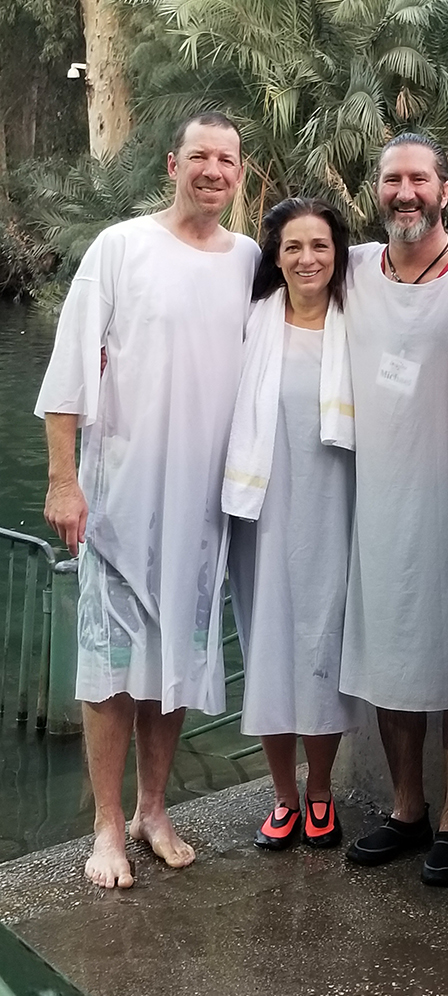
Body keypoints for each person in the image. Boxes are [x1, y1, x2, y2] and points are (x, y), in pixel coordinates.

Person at [36, 112, 259, 889]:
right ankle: (105, 825)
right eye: (199, 155)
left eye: (227, 159)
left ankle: (153, 810)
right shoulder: (121, 248)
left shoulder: (250, 260)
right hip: (120, 496)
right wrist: (64, 483)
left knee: (176, 666)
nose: (213, 170)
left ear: (240, 172)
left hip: (202, 506)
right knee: (109, 668)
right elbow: (69, 372)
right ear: (173, 164)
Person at [340, 133, 448, 883]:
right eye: (392, 179)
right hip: (377, 503)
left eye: (418, 179)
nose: (405, 192)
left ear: (444, 188)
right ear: (377, 191)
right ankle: (408, 810)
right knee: (391, 659)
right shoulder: (353, 270)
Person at [223, 198, 361, 850]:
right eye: (294, 247)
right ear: (275, 257)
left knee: (323, 650)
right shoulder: (249, 322)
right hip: (264, 511)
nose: (308, 259)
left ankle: (322, 791)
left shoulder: (360, 324)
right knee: (271, 648)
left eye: (321, 246)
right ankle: (282, 794)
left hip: (337, 506)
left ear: (339, 255)